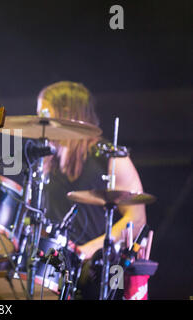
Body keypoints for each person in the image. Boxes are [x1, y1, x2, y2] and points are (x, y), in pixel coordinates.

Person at [36, 81, 147, 299]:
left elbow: (137, 219)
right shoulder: (48, 162)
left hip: (104, 269)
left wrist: (87, 250)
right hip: (58, 267)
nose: (40, 120)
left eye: (45, 112)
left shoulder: (110, 157)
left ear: (66, 113)